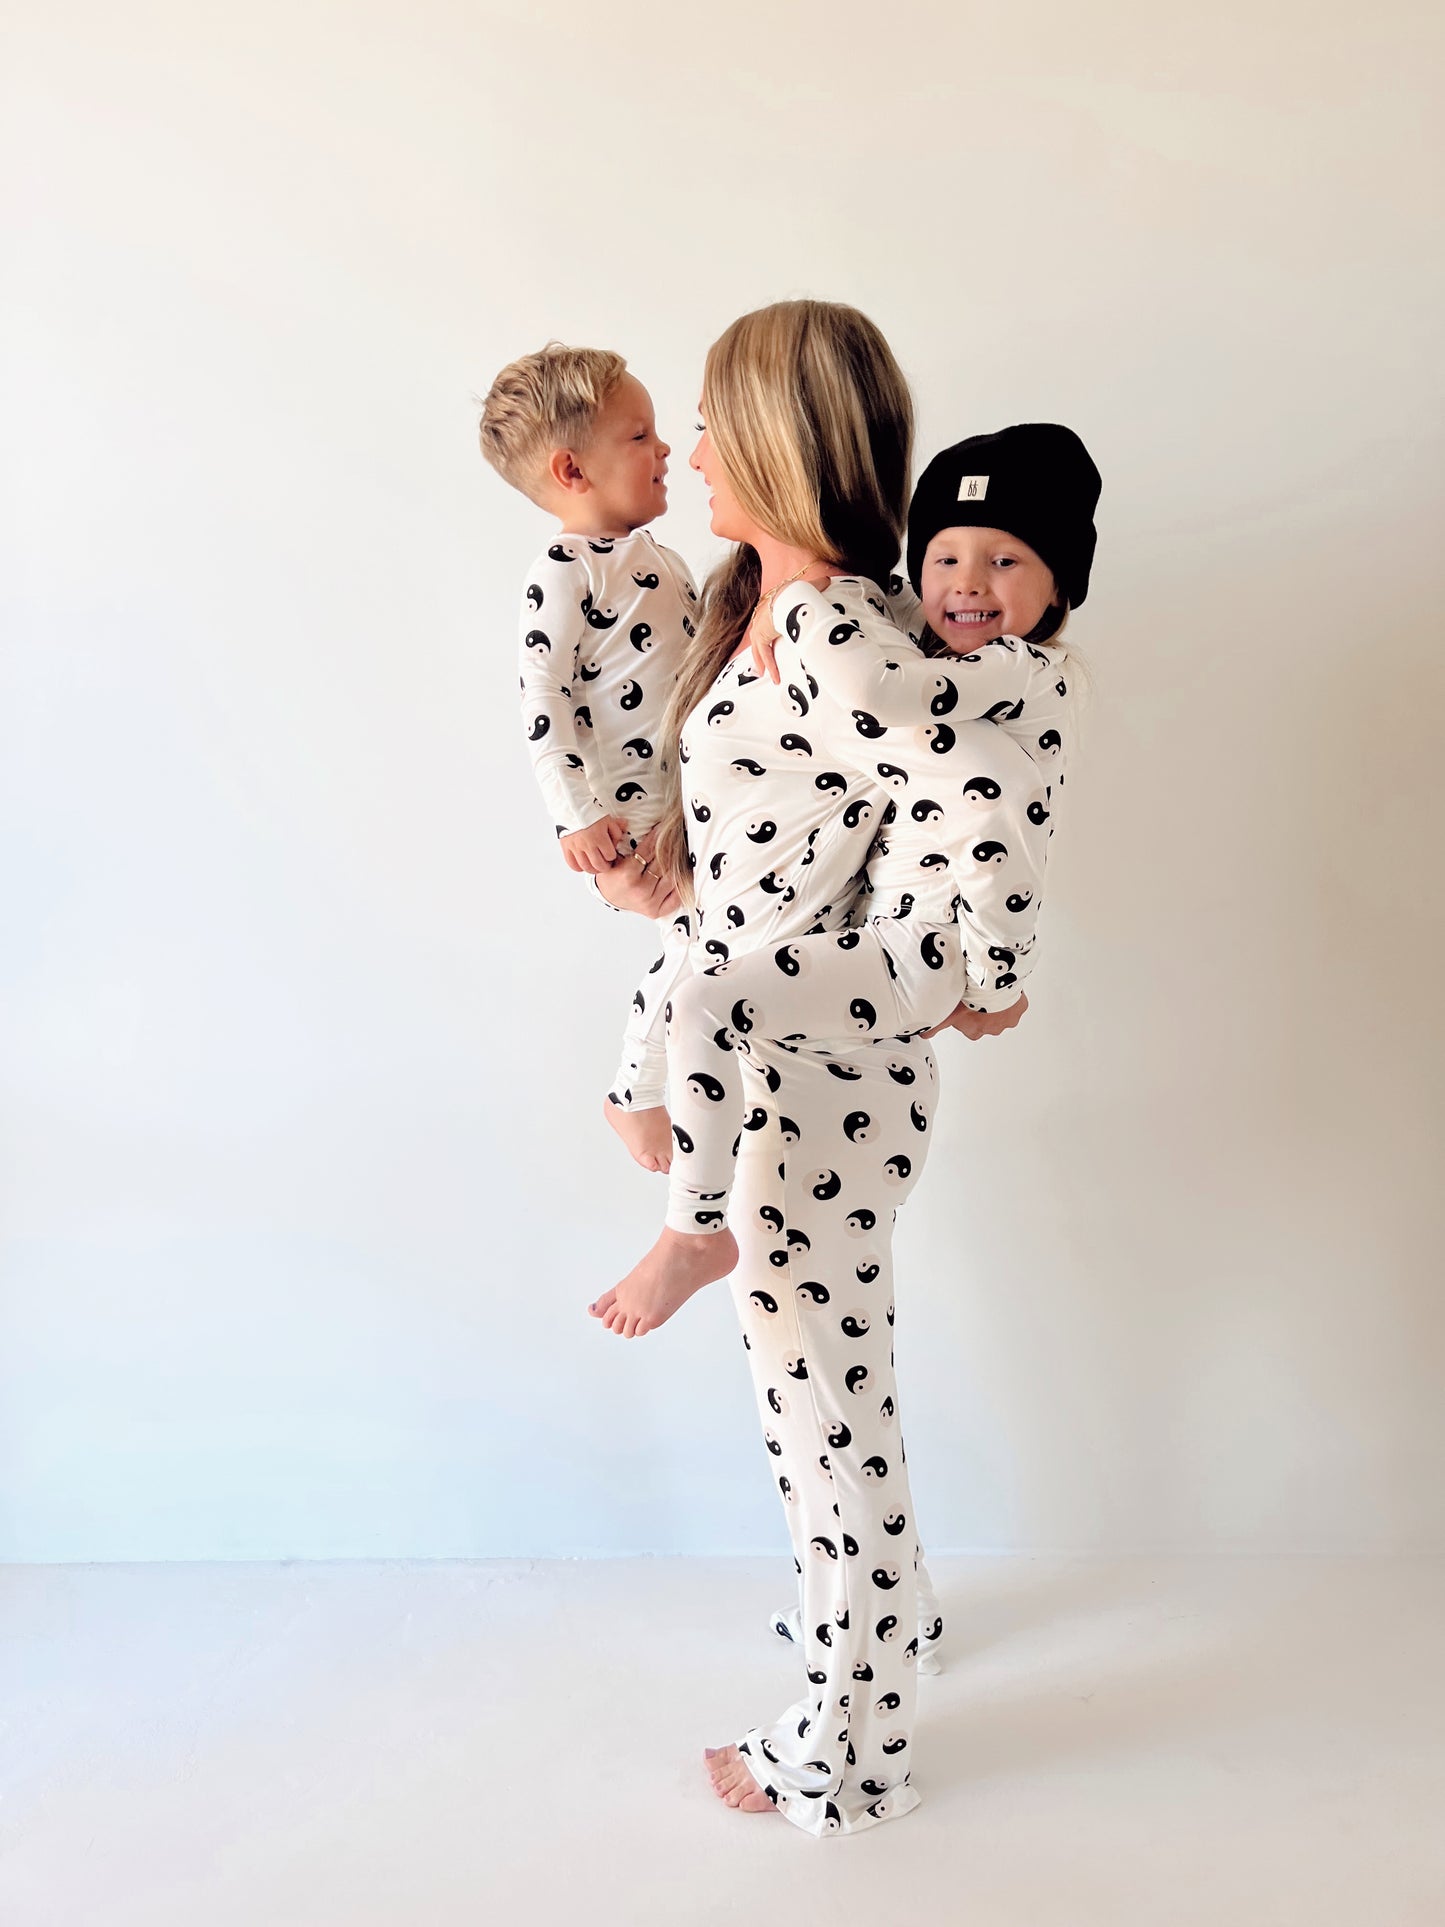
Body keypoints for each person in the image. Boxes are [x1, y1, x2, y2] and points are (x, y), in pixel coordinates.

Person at [589, 299, 956, 1834]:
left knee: (822, 1409)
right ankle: (891, 1623)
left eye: (711, 418)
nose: (684, 445)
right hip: (753, 1038)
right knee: (821, 1382)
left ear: (785, 442)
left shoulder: (840, 627)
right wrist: (663, 877)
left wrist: (969, 964)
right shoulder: (754, 606)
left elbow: (960, 807)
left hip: (815, 1071)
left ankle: (846, 1743)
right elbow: (788, 832)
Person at [642, 423, 1101, 1249]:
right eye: (943, 559)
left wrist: (994, 983)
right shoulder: (956, 651)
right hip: (886, 942)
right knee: (699, 953)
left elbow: (894, 697)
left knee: (707, 1001)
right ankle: (639, 1097)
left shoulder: (1021, 669)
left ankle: (692, 1230)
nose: (966, 585)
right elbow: (893, 624)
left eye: (1005, 561)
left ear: (1059, 586)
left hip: (918, 952)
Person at [478, 343, 695, 1172]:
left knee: (714, 939)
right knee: (699, 935)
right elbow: (545, 702)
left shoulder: (661, 562)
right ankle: (633, 1093)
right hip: (634, 808)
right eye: (639, 436)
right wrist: (576, 816)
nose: (664, 449)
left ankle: (669, 1087)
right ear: (572, 470)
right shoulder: (564, 573)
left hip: (689, 790)